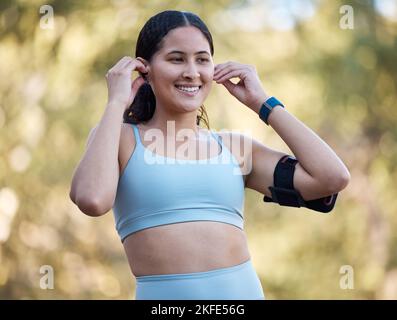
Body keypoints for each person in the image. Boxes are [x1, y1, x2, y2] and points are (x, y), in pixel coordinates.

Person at [69, 10, 351, 300]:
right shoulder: (120, 137)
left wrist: (263, 103)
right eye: (176, 59)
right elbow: (92, 199)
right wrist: (116, 102)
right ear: (144, 69)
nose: (192, 72)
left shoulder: (234, 148)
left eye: (202, 59)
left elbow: (332, 177)